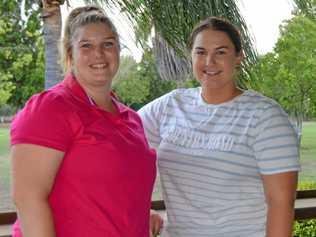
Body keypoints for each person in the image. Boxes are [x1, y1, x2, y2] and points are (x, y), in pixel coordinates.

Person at [140, 16, 300, 237]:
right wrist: (140, 209)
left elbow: (281, 203)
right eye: (201, 52)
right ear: (191, 57)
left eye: (221, 52)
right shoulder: (170, 105)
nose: (209, 62)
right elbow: (121, 144)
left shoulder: (264, 116)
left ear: (238, 57)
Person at [10, 5, 156, 237]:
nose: (98, 54)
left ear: (118, 50)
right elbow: (28, 198)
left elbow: (119, 187)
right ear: (70, 55)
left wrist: (144, 213)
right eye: (86, 46)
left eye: (108, 44)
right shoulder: (52, 108)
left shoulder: (132, 119)